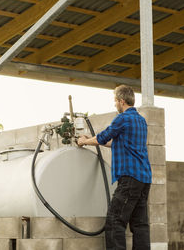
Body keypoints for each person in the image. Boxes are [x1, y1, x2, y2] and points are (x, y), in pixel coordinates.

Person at [77, 85, 152, 250]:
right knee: (140, 224)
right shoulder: (141, 120)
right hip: (144, 179)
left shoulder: (123, 118)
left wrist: (83, 141)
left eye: (115, 101)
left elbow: (103, 137)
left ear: (121, 101)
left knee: (114, 220)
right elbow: (117, 142)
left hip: (130, 178)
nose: (115, 105)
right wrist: (91, 139)